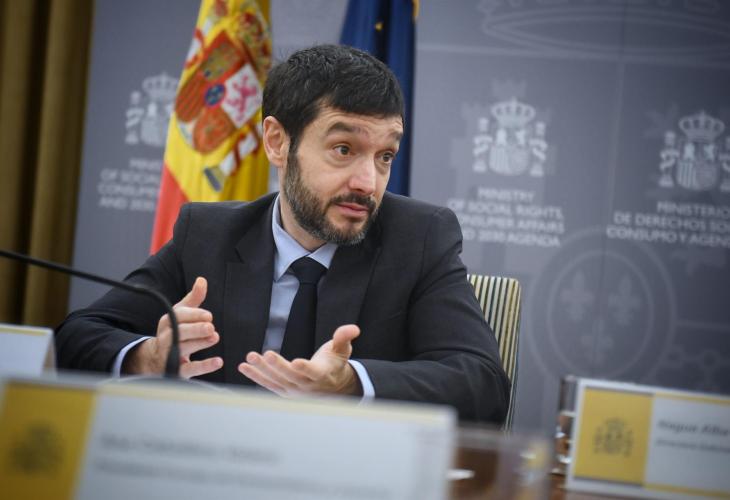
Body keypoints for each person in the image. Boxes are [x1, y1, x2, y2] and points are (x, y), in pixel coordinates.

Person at [56, 44, 510, 423]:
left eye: (385, 156)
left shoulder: (420, 237)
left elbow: (483, 382)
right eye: (343, 149)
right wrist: (148, 357)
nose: (367, 182)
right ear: (277, 142)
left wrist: (351, 383)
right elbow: (75, 337)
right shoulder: (208, 234)